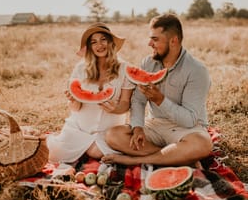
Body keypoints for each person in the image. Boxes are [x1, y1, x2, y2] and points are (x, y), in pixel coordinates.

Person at [102, 14, 213, 167]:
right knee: (113, 135)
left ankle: (134, 160)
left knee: (202, 145)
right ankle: (177, 157)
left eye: (155, 39)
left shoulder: (197, 70)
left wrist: (160, 100)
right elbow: (138, 101)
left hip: (187, 130)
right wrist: (138, 128)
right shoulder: (148, 62)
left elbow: (189, 120)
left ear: (173, 41)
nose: (149, 44)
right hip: (155, 125)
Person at [47, 23, 135, 164]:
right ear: (90, 47)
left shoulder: (125, 68)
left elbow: (125, 103)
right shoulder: (81, 68)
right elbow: (75, 108)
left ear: (111, 42)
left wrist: (116, 109)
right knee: (54, 154)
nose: (99, 45)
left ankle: (88, 150)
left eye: (103, 39)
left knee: (97, 152)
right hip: (79, 129)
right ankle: (81, 147)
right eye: (94, 42)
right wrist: (73, 100)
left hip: (108, 132)